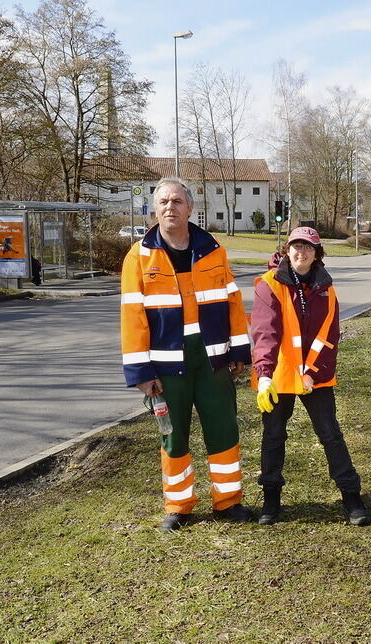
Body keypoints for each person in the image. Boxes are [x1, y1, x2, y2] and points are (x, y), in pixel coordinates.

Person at [120, 177, 255, 532]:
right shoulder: (139, 256)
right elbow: (132, 315)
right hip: (165, 365)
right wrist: (140, 371)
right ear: (154, 209)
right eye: (163, 201)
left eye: (177, 201)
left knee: (223, 429)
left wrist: (239, 350)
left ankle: (228, 501)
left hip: (213, 359)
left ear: (190, 208)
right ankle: (179, 506)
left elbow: (232, 302)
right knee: (174, 435)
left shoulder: (213, 249)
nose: (170, 207)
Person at [250, 226, 371, 527]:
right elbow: (265, 332)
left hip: (315, 377)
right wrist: (264, 374)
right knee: (273, 436)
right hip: (278, 376)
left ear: (317, 254)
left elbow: (329, 338)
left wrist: (313, 374)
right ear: (286, 249)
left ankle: (351, 496)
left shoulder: (326, 289)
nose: (300, 252)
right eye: (295, 246)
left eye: (307, 247)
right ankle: (271, 498)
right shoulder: (269, 284)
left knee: (330, 434)